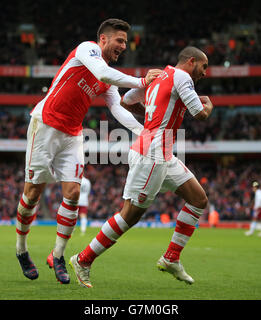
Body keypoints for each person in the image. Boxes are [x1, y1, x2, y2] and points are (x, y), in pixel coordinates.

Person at [15, 18, 161, 284]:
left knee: (72, 193)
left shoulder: (109, 80)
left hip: (72, 134)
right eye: (120, 41)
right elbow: (103, 73)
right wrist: (141, 81)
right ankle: (21, 249)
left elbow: (117, 109)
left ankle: (58, 256)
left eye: (126, 43)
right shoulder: (87, 50)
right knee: (33, 192)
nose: (123, 47)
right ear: (103, 39)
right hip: (45, 123)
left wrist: (145, 132)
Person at [69, 46, 213, 288]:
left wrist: (149, 112)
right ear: (191, 61)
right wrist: (209, 104)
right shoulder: (183, 77)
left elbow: (126, 101)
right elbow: (200, 114)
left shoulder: (157, 76)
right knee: (129, 215)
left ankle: (171, 258)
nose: (205, 73)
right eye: (203, 66)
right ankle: (83, 259)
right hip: (152, 154)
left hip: (163, 153)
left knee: (198, 199)